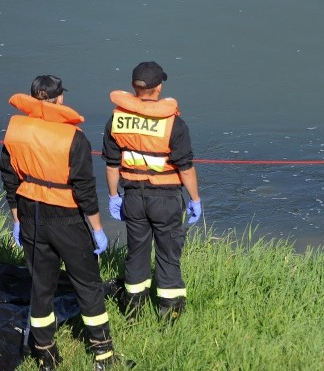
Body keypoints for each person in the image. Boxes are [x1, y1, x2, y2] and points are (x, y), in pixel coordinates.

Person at [1, 75, 128, 370]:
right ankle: (103, 355)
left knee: (41, 287)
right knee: (87, 285)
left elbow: (9, 179)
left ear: (33, 99)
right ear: (60, 99)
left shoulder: (15, 131)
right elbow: (84, 190)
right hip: (66, 218)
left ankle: (45, 355)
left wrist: (16, 219)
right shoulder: (74, 138)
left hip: (31, 215)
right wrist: (97, 229)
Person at [101, 61, 202, 323]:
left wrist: (114, 196)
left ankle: (133, 314)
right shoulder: (172, 123)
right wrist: (195, 199)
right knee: (168, 255)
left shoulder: (117, 120)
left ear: (135, 88)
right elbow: (186, 168)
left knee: (137, 253)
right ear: (159, 87)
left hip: (133, 197)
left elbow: (112, 165)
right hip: (166, 199)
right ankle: (170, 317)